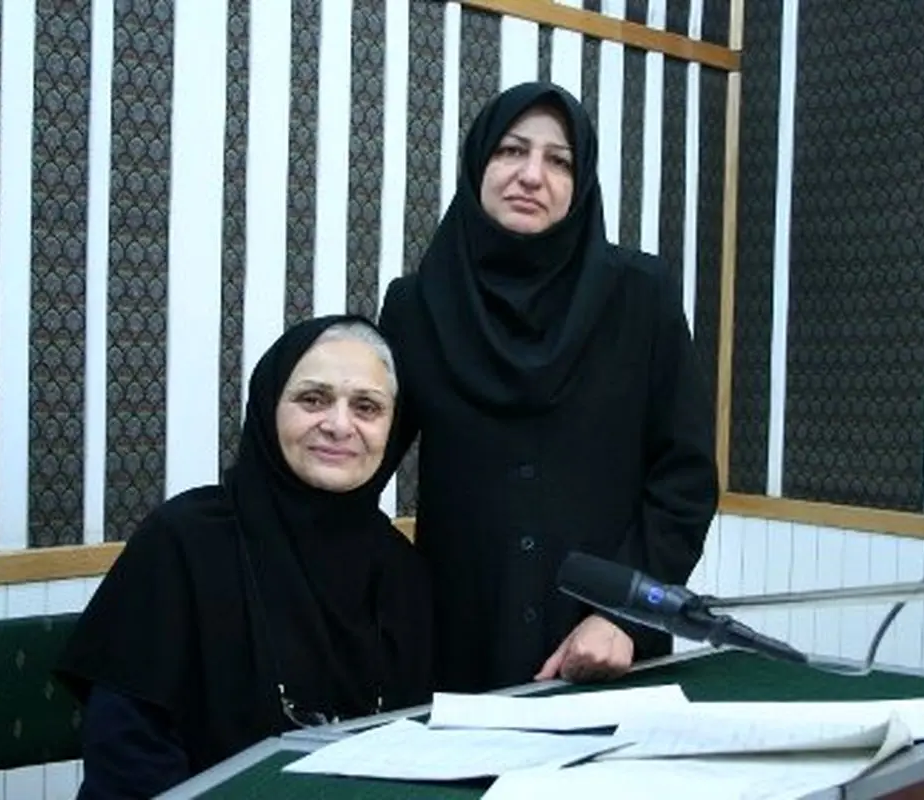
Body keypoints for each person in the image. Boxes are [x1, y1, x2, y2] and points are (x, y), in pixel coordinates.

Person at [378, 81, 719, 694]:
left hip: (605, 644)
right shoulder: (417, 306)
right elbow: (361, 457)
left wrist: (624, 614)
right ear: (478, 164)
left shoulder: (641, 297)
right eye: (511, 150)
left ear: (580, 182)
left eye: (558, 160)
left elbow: (685, 477)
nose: (531, 176)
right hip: (459, 638)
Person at [56, 315, 432, 798]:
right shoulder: (183, 542)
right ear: (268, 406)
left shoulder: (400, 569)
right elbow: (129, 760)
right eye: (313, 399)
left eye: (366, 407)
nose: (339, 425)